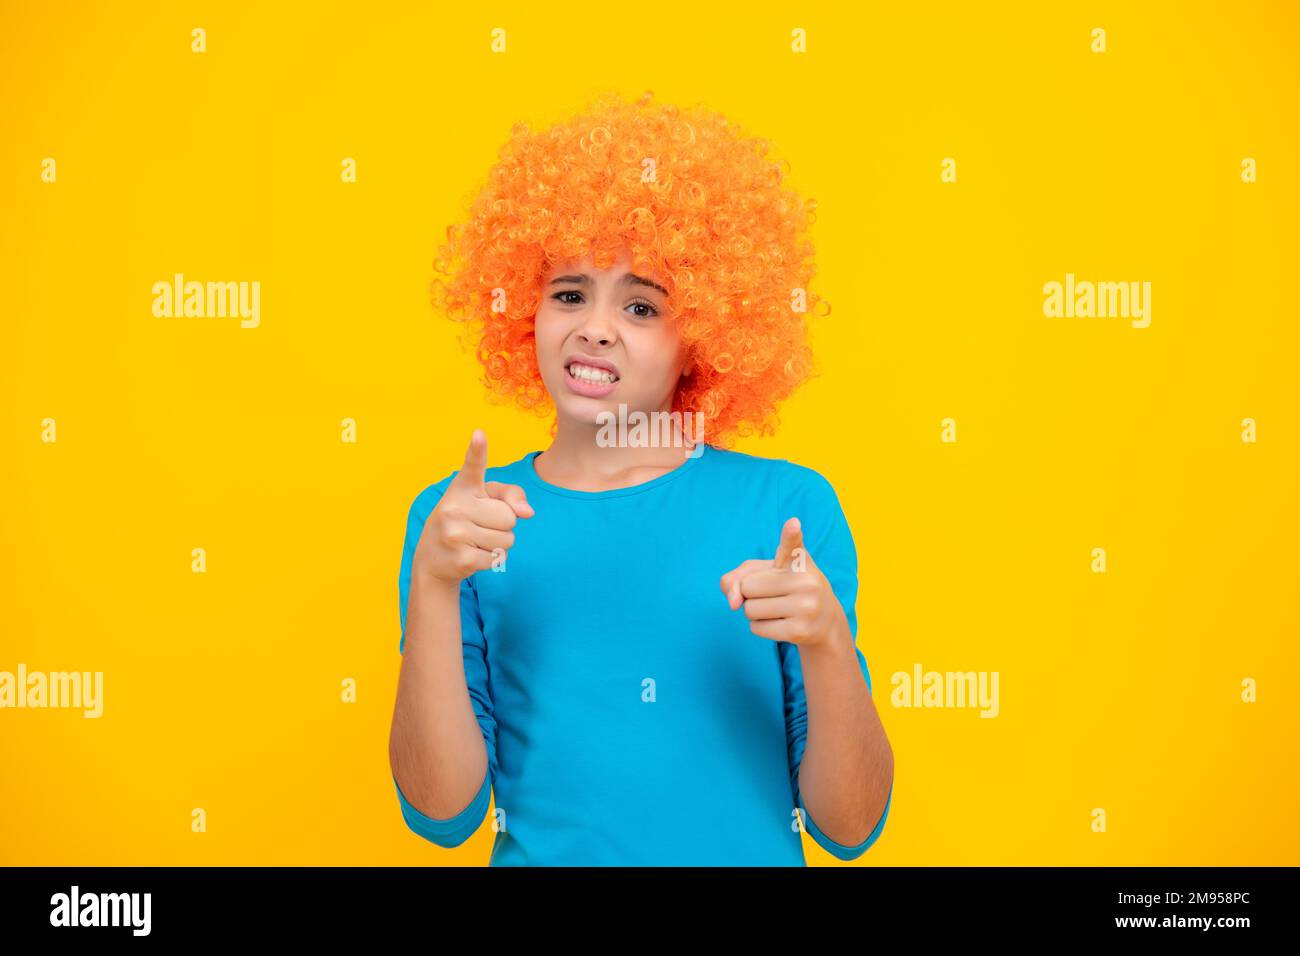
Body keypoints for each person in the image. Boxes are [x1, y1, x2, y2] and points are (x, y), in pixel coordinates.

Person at [387, 90, 894, 865]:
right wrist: (432, 581)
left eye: (642, 306)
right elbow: (441, 813)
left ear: (706, 335)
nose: (595, 325)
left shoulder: (789, 508)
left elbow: (849, 828)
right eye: (568, 294)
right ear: (528, 314)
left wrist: (827, 641)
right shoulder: (463, 521)